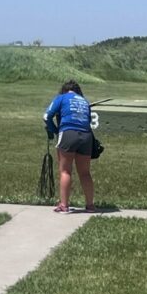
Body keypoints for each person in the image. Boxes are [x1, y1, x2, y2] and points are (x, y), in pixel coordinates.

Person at [43, 79, 96, 214]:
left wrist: (54, 130)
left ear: (64, 90)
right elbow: (88, 121)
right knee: (84, 173)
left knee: (65, 171)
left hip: (68, 133)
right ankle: (90, 205)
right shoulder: (85, 101)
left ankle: (64, 205)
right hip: (86, 135)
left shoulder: (61, 98)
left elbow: (46, 116)